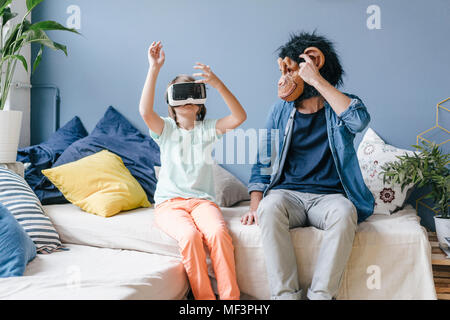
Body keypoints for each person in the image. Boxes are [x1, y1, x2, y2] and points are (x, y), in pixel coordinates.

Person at [240, 32, 375, 300]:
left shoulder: (341, 103)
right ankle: (286, 296)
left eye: (291, 70)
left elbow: (358, 122)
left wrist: (316, 80)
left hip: (330, 198)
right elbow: (263, 161)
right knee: (270, 207)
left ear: (314, 62)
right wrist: (255, 206)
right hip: (288, 195)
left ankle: (321, 296)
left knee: (345, 211)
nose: (282, 79)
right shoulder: (280, 110)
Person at [139, 41, 245, 300]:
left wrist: (217, 84)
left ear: (200, 104)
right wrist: (153, 69)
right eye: (180, 94)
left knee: (218, 233)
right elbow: (144, 110)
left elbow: (239, 116)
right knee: (189, 236)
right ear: (172, 104)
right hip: (169, 205)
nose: (187, 100)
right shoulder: (165, 130)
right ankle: (204, 300)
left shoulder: (208, 129)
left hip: (202, 202)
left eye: (193, 94)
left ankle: (231, 299)